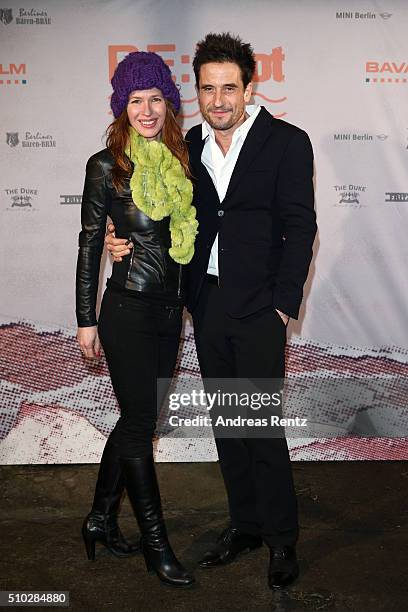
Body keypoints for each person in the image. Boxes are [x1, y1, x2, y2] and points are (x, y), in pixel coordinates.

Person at [106, 32, 317, 590]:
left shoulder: (288, 143)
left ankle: (281, 539)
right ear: (196, 93)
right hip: (206, 301)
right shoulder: (186, 147)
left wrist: (282, 305)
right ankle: (244, 525)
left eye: (229, 88)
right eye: (208, 89)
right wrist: (116, 236)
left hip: (260, 307)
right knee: (228, 424)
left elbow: (301, 229)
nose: (219, 99)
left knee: (262, 427)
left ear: (250, 87)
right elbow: (150, 208)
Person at [76, 50, 197, 587]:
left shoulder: (182, 158)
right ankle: (156, 543)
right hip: (123, 310)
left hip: (170, 314)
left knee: (133, 422)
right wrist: (85, 318)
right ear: (120, 107)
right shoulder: (106, 166)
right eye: (134, 100)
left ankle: (100, 519)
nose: (146, 110)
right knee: (142, 425)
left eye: (155, 99)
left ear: (168, 103)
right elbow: (88, 247)